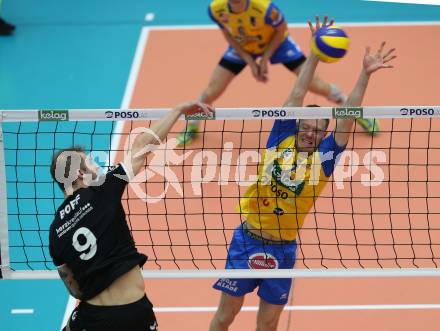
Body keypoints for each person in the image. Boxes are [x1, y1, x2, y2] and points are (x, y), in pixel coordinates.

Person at [209, 16, 396, 331]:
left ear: (324, 134)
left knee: (268, 325)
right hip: (247, 242)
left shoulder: (325, 158)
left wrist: (364, 75)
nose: (310, 133)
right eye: (306, 127)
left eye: (317, 130)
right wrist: (314, 54)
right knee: (225, 316)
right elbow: (296, 92)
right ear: (297, 126)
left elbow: (347, 118)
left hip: (283, 250)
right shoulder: (280, 137)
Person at [49, 102, 213, 331]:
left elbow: (73, 288)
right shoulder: (101, 189)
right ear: (79, 173)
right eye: (92, 163)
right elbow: (143, 145)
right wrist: (177, 110)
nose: (98, 167)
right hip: (132, 314)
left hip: (92, 317)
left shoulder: (54, 230)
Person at [177, 0, 378, 146]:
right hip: (243, 46)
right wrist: (249, 59)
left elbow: (281, 30)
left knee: (315, 84)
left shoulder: (265, 8)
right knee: (212, 90)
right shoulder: (215, 9)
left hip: (278, 44)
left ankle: (349, 108)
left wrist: (264, 58)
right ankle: (193, 124)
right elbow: (227, 34)